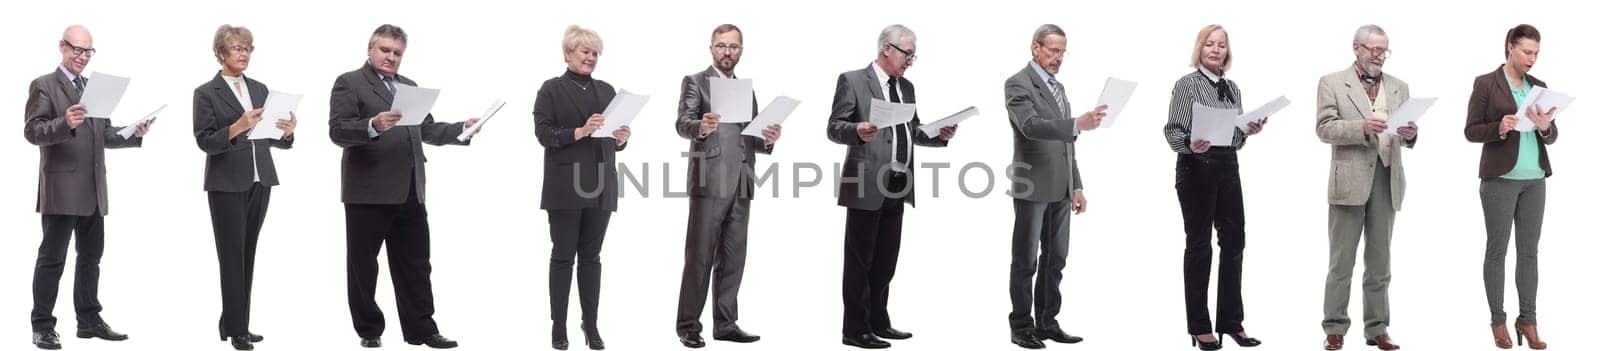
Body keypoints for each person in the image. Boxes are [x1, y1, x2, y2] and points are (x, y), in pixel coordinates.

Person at [328, 24, 475, 349]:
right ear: (370, 49)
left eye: (397, 53)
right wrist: (372, 125)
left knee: (416, 263)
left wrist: (460, 130)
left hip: (410, 188)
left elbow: (427, 129)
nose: (391, 57)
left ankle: (422, 329)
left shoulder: (409, 87)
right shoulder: (349, 83)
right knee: (364, 265)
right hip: (368, 191)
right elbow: (338, 131)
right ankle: (369, 329)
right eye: (385, 50)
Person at [825, 24, 958, 349]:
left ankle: (878, 322)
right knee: (860, 259)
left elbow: (911, 130)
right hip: (865, 180)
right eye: (907, 53)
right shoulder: (853, 80)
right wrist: (857, 130)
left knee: (886, 259)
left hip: (899, 182)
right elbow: (834, 127)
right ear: (887, 48)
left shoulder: (907, 87)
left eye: (913, 54)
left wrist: (937, 135)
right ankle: (854, 330)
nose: (911, 60)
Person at [24, 24, 155, 351]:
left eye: (88, 51)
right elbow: (32, 131)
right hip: (62, 188)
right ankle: (42, 326)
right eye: (77, 49)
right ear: (62, 47)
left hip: (94, 188)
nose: (82, 56)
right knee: (52, 259)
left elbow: (104, 134)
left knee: (90, 258)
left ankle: (88, 320)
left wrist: (133, 132)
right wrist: (64, 123)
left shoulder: (94, 88)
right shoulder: (44, 86)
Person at [672, 23, 779, 349]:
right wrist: (700, 125)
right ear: (711, 48)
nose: (727, 52)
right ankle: (688, 325)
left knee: (734, 257)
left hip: (743, 180)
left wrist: (768, 139)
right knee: (700, 256)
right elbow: (682, 123)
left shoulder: (745, 88)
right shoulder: (696, 82)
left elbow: (752, 135)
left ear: (740, 51)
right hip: (709, 181)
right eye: (721, 46)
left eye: (733, 46)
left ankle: (726, 323)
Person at [191, 24, 297, 351]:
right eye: (237, 48)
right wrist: (238, 126)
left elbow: (271, 138)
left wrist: (288, 131)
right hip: (225, 183)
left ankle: (238, 322)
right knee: (231, 257)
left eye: (248, 48)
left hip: (260, 179)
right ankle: (237, 329)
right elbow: (205, 140)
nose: (244, 53)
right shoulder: (206, 92)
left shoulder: (262, 89)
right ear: (221, 53)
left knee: (247, 254)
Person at [1161, 24, 1266, 350]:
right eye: (1210, 44)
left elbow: (1234, 137)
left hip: (1228, 167)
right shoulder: (1187, 85)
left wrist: (1248, 129)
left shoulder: (1232, 88)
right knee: (1199, 246)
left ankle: (1231, 322)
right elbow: (1172, 131)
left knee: (1235, 242)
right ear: (1200, 49)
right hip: (1196, 168)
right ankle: (1199, 326)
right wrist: (1192, 144)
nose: (1216, 49)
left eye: (1221, 45)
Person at [1001, 23, 1104, 350]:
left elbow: (1067, 145)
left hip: (1061, 187)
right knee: (1026, 259)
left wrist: (1076, 185)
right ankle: (1021, 326)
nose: (1059, 57)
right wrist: (1076, 124)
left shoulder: (1058, 89)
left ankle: (1047, 321)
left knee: (1056, 257)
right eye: (1053, 50)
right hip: (1033, 186)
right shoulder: (1018, 83)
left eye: (1063, 51)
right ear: (1036, 48)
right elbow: (1031, 126)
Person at [1314, 24, 1417, 351]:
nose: (1380, 56)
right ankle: (1334, 328)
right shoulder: (1331, 83)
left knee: (1380, 261)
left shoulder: (1399, 86)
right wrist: (1361, 127)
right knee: (1341, 261)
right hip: (1349, 181)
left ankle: (1377, 328)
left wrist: (1411, 134)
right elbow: (1324, 128)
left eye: (1385, 50)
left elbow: (1405, 133)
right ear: (1356, 48)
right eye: (1375, 50)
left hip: (1387, 179)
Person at [533, 24, 632, 351]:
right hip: (565, 185)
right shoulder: (551, 89)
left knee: (592, 257)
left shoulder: (607, 90)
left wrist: (621, 139)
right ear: (568, 53)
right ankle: (558, 327)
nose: (591, 57)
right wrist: (579, 131)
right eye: (585, 51)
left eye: (595, 53)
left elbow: (611, 139)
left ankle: (590, 325)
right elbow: (544, 134)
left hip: (601, 184)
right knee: (563, 257)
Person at [1463, 24, 1556, 350]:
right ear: (1509, 47)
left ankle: (1528, 320)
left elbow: (1552, 134)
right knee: (1497, 251)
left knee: (1529, 253)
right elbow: (1471, 130)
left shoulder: (1539, 86)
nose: (1532, 59)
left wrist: (1545, 128)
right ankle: (1498, 321)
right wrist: (1499, 128)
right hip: (1500, 180)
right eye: (1527, 52)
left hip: (1534, 179)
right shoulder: (1487, 83)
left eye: (1536, 53)